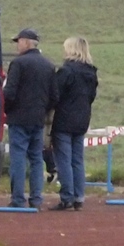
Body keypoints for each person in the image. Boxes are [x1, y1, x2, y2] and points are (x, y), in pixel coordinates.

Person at [1, 27, 55, 209]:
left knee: (18, 158)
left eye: (18, 42)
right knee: (36, 158)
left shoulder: (18, 64)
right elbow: (54, 96)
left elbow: (9, 92)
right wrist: (42, 110)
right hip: (38, 119)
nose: (17, 45)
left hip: (18, 119)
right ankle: (36, 199)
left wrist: (7, 110)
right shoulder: (48, 65)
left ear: (25, 42)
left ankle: (18, 199)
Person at [50, 36, 98, 211]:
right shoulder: (91, 73)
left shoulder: (66, 71)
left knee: (64, 160)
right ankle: (79, 197)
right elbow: (91, 97)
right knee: (77, 160)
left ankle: (67, 197)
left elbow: (55, 95)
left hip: (63, 120)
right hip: (82, 120)